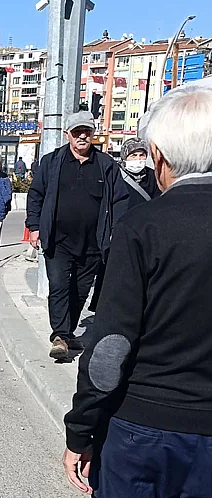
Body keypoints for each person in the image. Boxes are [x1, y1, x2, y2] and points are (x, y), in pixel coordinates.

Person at [63, 86, 212, 498]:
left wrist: (81, 430)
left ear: (159, 156)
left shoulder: (142, 227)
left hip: (145, 430)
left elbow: (110, 347)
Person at [26, 110, 128, 360]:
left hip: (93, 243)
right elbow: (36, 195)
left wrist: (116, 231)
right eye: (77, 132)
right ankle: (60, 335)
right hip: (57, 241)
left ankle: (67, 331)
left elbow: (120, 200)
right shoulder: (51, 163)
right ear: (67, 135)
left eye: (87, 131)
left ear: (94, 134)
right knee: (59, 286)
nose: (82, 136)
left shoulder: (106, 166)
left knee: (81, 290)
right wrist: (34, 226)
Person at [88, 138, 161, 312]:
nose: (138, 159)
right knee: (112, 274)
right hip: (118, 233)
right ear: (125, 156)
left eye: (141, 154)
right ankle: (105, 309)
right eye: (133, 155)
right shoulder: (116, 175)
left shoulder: (153, 177)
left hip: (145, 235)